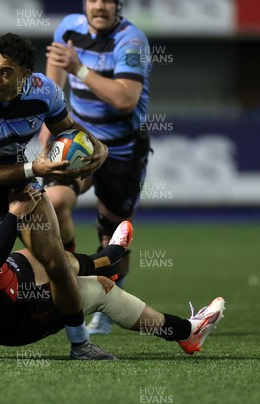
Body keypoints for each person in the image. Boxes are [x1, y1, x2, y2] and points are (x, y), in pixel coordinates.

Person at [0, 179, 225, 359]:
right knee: (100, 288)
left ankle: (110, 255)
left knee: (53, 257)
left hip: (6, 277)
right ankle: (185, 331)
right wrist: (13, 214)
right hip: (8, 318)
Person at [0, 33, 111, 357]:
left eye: (5, 71)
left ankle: (80, 344)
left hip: (20, 180)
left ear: (25, 75)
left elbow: (67, 129)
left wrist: (97, 146)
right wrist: (34, 170)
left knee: (57, 262)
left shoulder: (44, 91)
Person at [40, 0, 153, 334]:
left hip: (122, 150)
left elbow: (125, 99)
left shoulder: (131, 40)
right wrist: (50, 116)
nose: (99, 5)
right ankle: (71, 282)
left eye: (108, 0)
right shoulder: (69, 28)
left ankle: (108, 303)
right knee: (55, 203)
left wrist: (80, 69)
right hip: (81, 142)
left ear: (119, 5)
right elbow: (55, 73)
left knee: (112, 234)